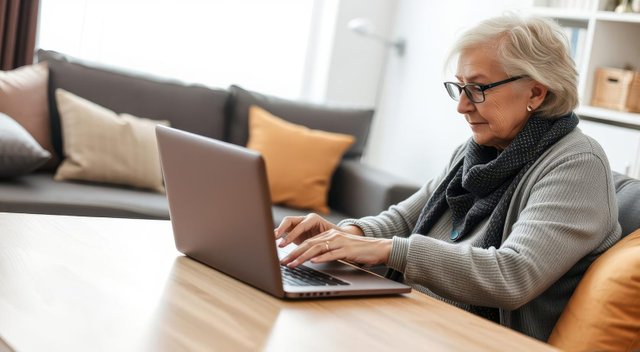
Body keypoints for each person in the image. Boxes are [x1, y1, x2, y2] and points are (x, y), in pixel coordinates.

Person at [274, 14, 621, 342]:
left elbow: (512, 276)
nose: (462, 107)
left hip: (477, 338)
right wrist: (343, 235)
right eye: (460, 88)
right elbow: (404, 220)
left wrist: (384, 250)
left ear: (536, 92)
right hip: (418, 318)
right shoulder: (475, 150)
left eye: (478, 89)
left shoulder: (577, 165)